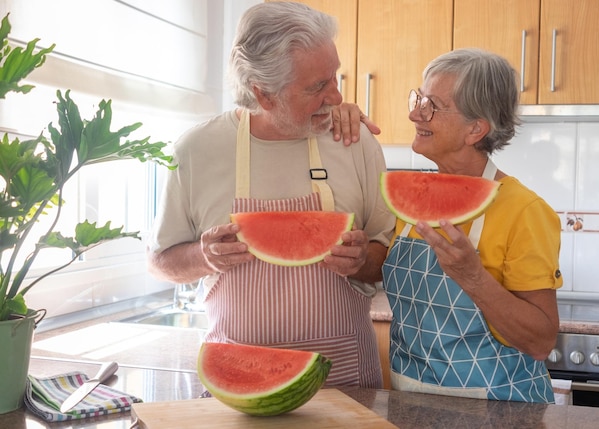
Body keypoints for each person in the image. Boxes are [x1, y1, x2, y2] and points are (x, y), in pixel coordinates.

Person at [146, 1, 395, 388]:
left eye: (335, 76)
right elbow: (160, 262)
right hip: (237, 376)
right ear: (263, 94)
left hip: (345, 377)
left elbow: (389, 257)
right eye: (317, 86)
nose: (336, 96)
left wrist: (363, 260)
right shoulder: (196, 150)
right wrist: (204, 255)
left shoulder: (353, 140)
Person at [380, 48, 562, 402]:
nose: (414, 113)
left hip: (500, 409)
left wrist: (473, 276)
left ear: (475, 129)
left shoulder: (524, 210)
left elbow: (540, 341)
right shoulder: (410, 199)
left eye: (431, 105)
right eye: (418, 98)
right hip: (411, 402)